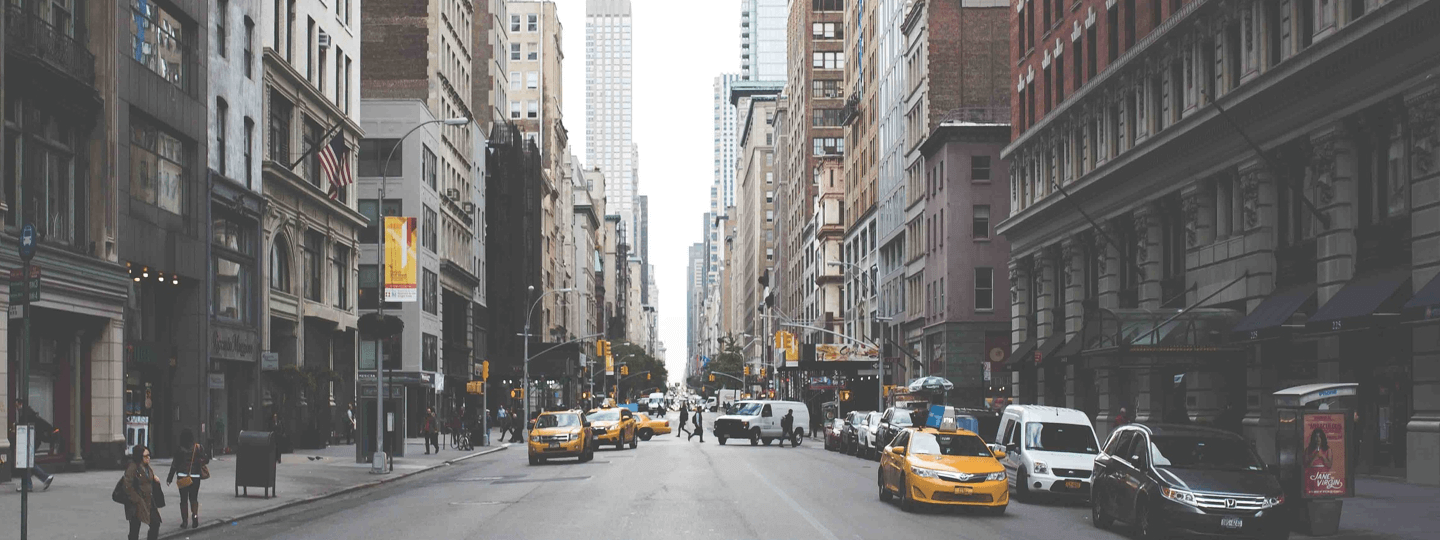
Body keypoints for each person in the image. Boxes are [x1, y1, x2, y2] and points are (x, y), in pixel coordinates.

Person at [166, 428, 210, 529]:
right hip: (195, 476)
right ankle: (195, 517)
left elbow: (174, 464)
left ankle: (185, 521)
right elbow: (206, 460)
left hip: (182, 476)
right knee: (194, 498)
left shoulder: (179, 449)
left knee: (183, 499)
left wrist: (170, 478)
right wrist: (199, 460)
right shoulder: (198, 447)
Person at [13, 398, 55, 491]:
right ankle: (41, 479)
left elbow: (25, 427)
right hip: (33, 440)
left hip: (30, 441)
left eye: (16, 405)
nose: (16, 408)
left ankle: (31, 483)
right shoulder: (29, 412)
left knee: (26, 461)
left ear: (20, 404)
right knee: (27, 462)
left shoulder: (25, 413)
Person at [122, 444, 162, 540]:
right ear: (139, 456)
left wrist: (154, 479)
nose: (148, 458)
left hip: (148, 501)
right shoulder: (133, 467)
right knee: (135, 528)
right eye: (146, 456)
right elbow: (127, 485)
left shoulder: (147, 467)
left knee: (155, 523)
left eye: (149, 455)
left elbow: (147, 479)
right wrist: (136, 499)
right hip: (136, 503)